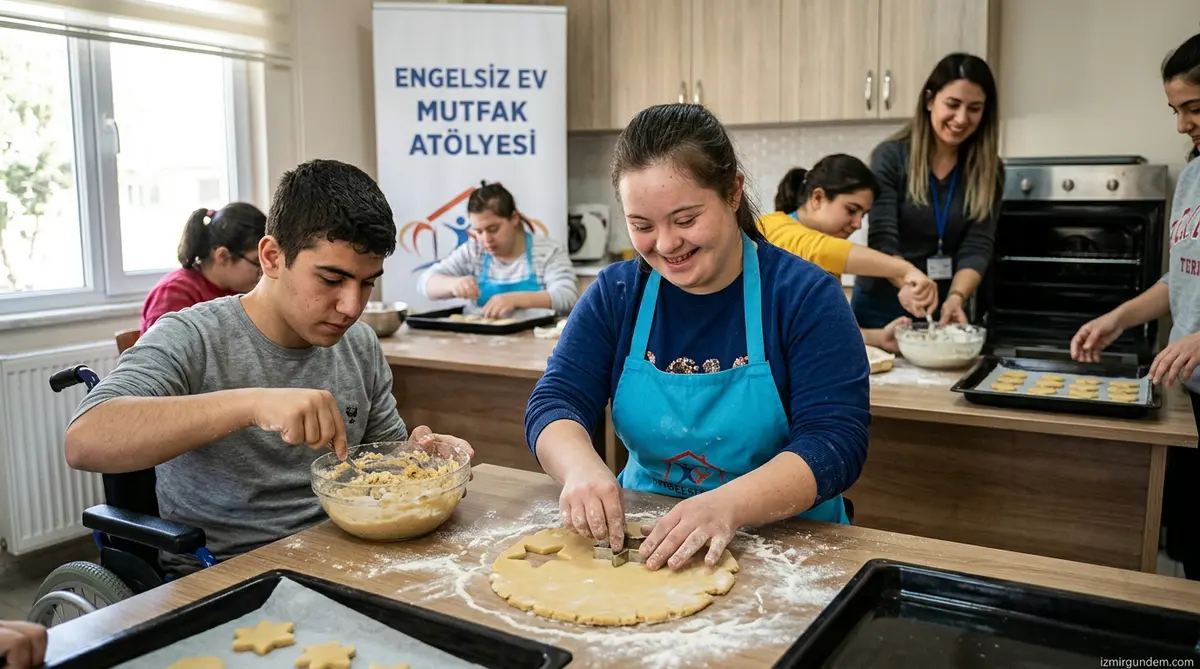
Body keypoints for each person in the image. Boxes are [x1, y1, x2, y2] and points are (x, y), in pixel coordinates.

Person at [64, 159, 474, 575]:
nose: (352, 306)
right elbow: (84, 439)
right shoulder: (192, 336)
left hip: (346, 553)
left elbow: (381, 460)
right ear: (272, 257)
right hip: (227, 572)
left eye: (367, 282)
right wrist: (253, 405)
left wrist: (418, 458)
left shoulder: (360, 343)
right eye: (331, 279)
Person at [524, 104, 870, 572]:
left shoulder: (803, 296)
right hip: (647, 533)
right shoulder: (617, 294)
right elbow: (556, 400)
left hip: (789, 549)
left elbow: (834, 442)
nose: (666, 245)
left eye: (685, 220)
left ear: (733, 192)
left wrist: (728, 505)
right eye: (642, 226)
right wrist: (580, 467)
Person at [1070, 32, 1200, 579]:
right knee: (1192, 552)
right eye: (1176, 110)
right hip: (1189, 393)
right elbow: (1183, 277)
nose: (1182, 125)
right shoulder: (1193, 175)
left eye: (1194, 108)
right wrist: (1117, 318)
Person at [851, 52, 1002, 329]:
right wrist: (907, 281)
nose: (961, 118)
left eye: (974, 108)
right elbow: (883, 238)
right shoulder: (890, 157)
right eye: (953, 104)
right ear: (930, 100)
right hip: (881, 303)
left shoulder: (989, 170)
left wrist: (957, 297)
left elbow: (977, 246)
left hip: (944, 305)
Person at [759, 154, 939, 352]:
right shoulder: (773, 226)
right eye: (852, 210)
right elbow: (821, 249)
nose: (858, 224)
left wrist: (878, 338)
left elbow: (823, 329)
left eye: (864, 214)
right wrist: (905, 270)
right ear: (818, 198)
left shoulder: (826, 261)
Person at [418, 182, 579, 318]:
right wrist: (453, 284)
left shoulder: (548, 251)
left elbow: (567, 297)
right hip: (478, 340)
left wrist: (515, 300)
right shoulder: (474, 252)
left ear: (514, 218)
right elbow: (425, 283)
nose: (486, 239)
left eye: (493, 229)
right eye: (478, 231)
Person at [141, 203, 266, 333]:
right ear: (223, 256)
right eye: (257, 261)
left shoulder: (239, 290)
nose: (264, 271)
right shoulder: (173, 293)